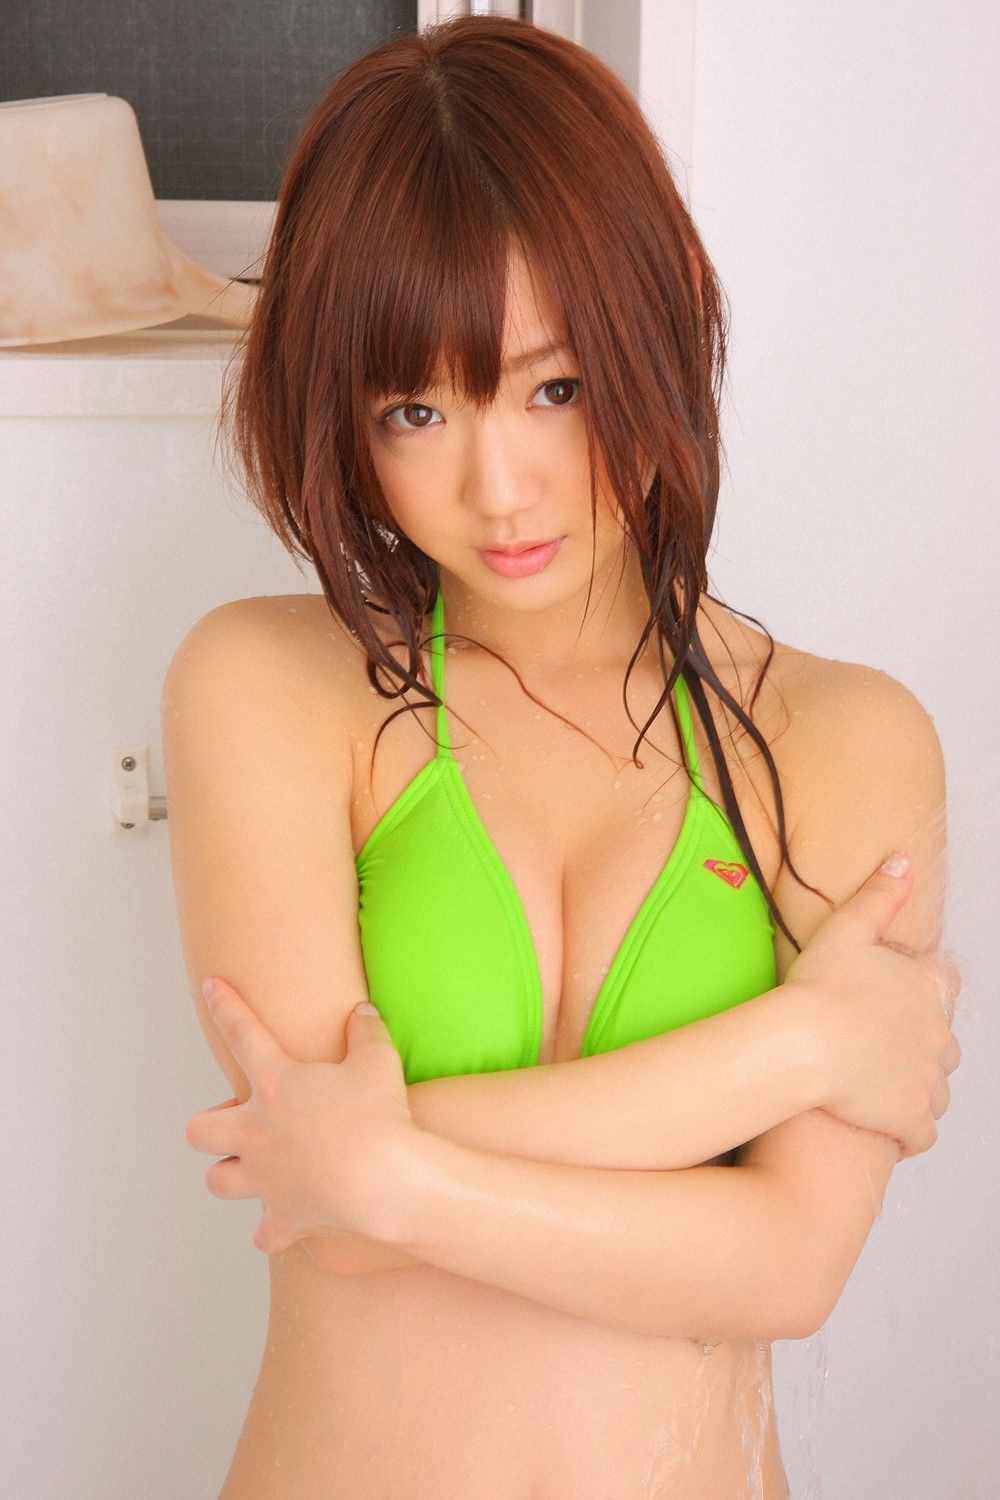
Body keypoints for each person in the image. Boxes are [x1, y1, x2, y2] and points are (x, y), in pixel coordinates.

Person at [162, 16, 962, 1499]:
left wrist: (392, 1166)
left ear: (668, 320)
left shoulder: (841, 740)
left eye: (556, 386)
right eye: (416, 410)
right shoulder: (269, 689)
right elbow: (327, 1206)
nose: (499, 487)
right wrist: (790, 1047)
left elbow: (785, 1264)